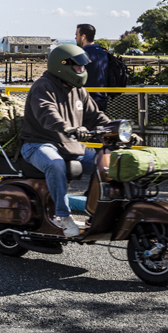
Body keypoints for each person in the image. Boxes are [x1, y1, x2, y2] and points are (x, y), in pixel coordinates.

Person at [19, 44, 140, 237]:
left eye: (83, 67)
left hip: (70, 146)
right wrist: (67, 128)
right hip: (38, 144)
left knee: (105, 164)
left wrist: (119, 131)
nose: (82, 70)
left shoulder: (78, 90)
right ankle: (63, 217)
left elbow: (96, 117)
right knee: (55, 163)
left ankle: (97, 213)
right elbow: (47, 113)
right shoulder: (43, 86)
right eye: (78, 67)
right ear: (62, 65)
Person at [75, 23, 109, 111]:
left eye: (77, 35)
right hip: (102, 98)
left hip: (86, 99)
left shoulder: (81, 54)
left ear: (83, 37)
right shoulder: (103, 53)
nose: (75, 38)